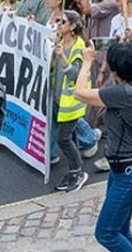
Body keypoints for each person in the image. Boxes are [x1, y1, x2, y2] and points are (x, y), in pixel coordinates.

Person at [74, 42, 132, 252]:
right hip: (126, 168)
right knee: (120, 228)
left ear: (114, 68)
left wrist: (87, 61)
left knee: (106, 233)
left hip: (130, 172)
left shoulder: (124, 93)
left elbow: (80, 93)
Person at [52, 10, 90, 193]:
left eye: (62, 21)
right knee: (71, 137)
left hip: (72, 101)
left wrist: (62, 57)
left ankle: (78, 172)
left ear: (73, 26)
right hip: (59, 98)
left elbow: (75, 75)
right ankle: (74, 171)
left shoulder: (78, 46)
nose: (58, 24)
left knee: (63, 139)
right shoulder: (59, 41)